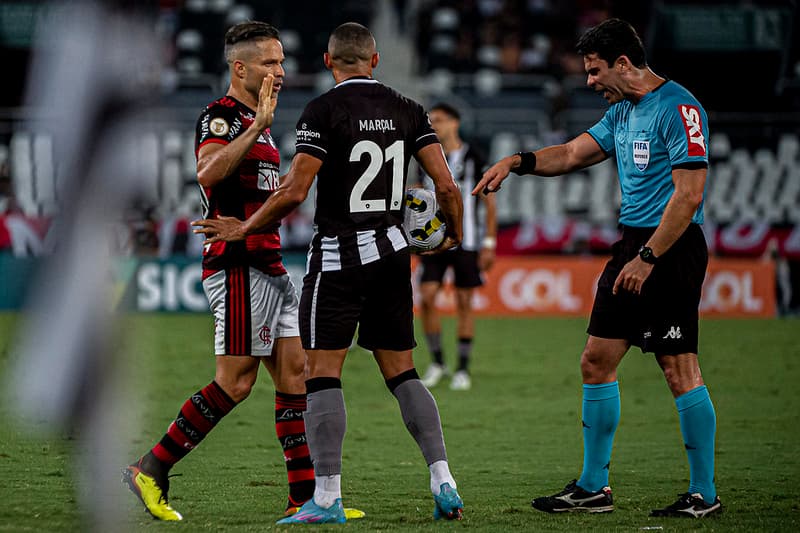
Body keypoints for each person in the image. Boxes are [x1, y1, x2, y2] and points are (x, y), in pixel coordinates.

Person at [193, 22, 466, 525]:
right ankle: (443, 479)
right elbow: (445, 185)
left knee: (320, 375)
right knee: (403, 373)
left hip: (339, 258)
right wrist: (453, 236)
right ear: (375, 60)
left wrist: (243, 228)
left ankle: (324, 498)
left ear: (327, 61)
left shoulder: (322, 110)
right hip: (392, 255)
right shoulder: (409, 110)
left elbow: (294, 192)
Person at [474, 18, 721, 518]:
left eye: (594, 71)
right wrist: (516, 162)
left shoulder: (680, 107)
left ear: (624, 64)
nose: (588, 81)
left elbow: (690, 193)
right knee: (596, 359)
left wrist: (649, 258)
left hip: (668, 249)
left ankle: (704, 494)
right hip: (631, 243)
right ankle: (593, 487)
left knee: (679, 368)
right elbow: (568, 153)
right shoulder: (623, 112)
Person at [122, 21, 319, 521]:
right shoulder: (222, 116)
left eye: (281, 61)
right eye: (270, 62)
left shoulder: (265, 121)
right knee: (234, 383)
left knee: (296, 375)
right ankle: (150, 468)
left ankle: (306, 499)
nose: (280, 70)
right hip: (236, 267)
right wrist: (254, 127)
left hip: (269, 262)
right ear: (241, 67)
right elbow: (207, 173)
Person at [417, 103, 497, 391]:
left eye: (439, 120)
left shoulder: (474, 156)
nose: (434, 125)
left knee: (464, 302)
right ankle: (438, 362)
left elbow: (489, 202)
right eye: (431, 120)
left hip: (468, 241)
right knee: (427, 297)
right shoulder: (424, 155)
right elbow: (416, 194)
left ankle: (462, 369)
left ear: (455, 123)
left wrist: (489, 243)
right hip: (435, 242)